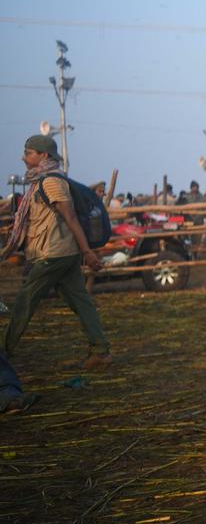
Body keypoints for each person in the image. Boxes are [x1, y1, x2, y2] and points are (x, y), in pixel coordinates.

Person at [2, 135, 111, 367]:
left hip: (53, 254)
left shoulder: (51, 182)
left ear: (44, 156)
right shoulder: (39, 181)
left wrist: (87, 251)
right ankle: (100, 350)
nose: (24, 157)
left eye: (29, 152)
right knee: (80, 301)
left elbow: (70, 217)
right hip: (60, 252)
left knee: (25, 301)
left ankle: (4, 352)